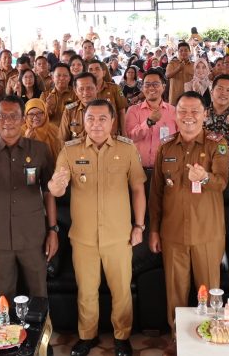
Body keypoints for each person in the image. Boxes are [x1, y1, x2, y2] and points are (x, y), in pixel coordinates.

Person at [48, 99, 145, 356]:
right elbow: (57, 188)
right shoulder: (70, 151)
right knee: (87, 291)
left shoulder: (126, 149)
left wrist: (139, 225)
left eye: (103, 118)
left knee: (121, 291)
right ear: (83, 121)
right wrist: (55, 186)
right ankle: (87, 336)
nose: (96, 124)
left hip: (119, 236)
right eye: (90, 118)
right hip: (84, 238)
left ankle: (122, 337)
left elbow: (138, 188)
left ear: (113, 121)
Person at [148, 91, 229, 351]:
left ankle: (212, 339)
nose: (188, 116)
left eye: (195, 111)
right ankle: (178, 339)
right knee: (175, 293)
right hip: (172, 234)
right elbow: (156, 193)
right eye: (182, 111)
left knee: (210, 292)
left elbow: (222, 182)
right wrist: (154, 230)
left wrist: (204, 177)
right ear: (175, 114)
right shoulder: (166, 147)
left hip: (207, 234)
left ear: (205, 114)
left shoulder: (217, 144)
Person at [0, 96, 58, 300]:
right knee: (4, 296)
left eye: (14, 116)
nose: (8, 121)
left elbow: (48, 192)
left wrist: (53, 230)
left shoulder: (39, 150)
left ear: (23, 119)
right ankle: (8, 324)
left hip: (32, 235)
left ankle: (40, 323)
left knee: (39, 294)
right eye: (2, 116)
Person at [125, 69, 177, 169]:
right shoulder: (133, 110)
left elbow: (179, 139)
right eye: (147, 84)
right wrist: (149, 122)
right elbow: (130, 138)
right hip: (139, 169)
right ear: (142, 88)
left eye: (155, 84)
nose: (151, 87)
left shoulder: (173, 111)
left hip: (166, 168)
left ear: (163, 87)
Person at [204, 74, 229, 171]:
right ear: (212, 91)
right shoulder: (201, 114)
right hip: (204, 169)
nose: (224, 93)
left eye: (228, 90)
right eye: (220, 89)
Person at [58, 72, 104, 141]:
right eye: (81, 89)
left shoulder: (106, 109)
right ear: (76, 91)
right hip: (76, 147)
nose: (85, 93)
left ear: (97, 88)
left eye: (89, 88)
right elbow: (63, 139)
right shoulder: (69, 110)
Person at [88, 60, 128, 136]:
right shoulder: (85, 91)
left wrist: (124, 132)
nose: (94, 72)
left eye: (97, 69)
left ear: (103, 73)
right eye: (90, 70)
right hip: (91, 134)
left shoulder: (114, 88)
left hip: (112, 134)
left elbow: (122, 112)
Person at [22, 98, 62, 162]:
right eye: (31, 114)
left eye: (39, 113)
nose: (35, 117)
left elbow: (62, 153)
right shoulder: (20, 132)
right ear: (26, 116)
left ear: (45, 113)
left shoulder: (54, 130)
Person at [41, 63, 77, 127]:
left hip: (70, 129)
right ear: (53, 78)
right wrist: (48, 107)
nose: (62, 78)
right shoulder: (45, 95)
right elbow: (40, 119)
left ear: (69, 78)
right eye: (58, 75)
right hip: (50, 130)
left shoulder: (76, 94)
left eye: (65, 75)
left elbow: (78, 118)